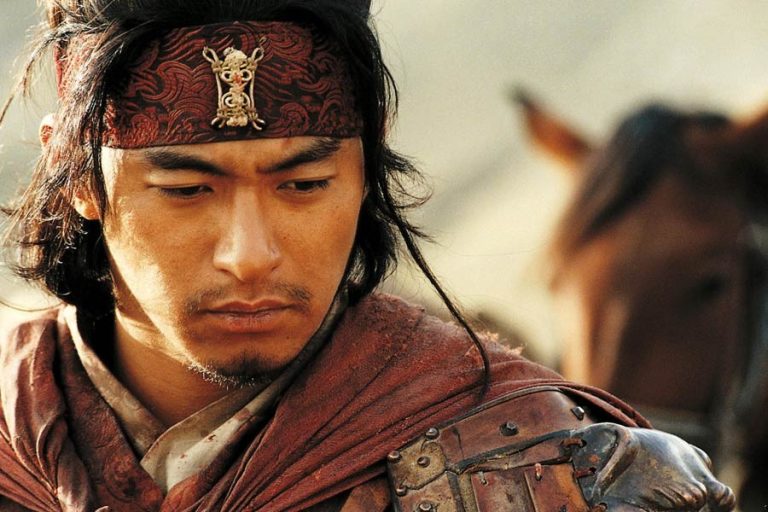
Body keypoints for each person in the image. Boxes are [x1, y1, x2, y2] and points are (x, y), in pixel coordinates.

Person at [0, 1, 736, 510]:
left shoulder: (558, 472)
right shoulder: (14, 440)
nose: (250, 256)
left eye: (303, 185)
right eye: (188, 190)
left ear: (366, 165)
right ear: (76, 173)